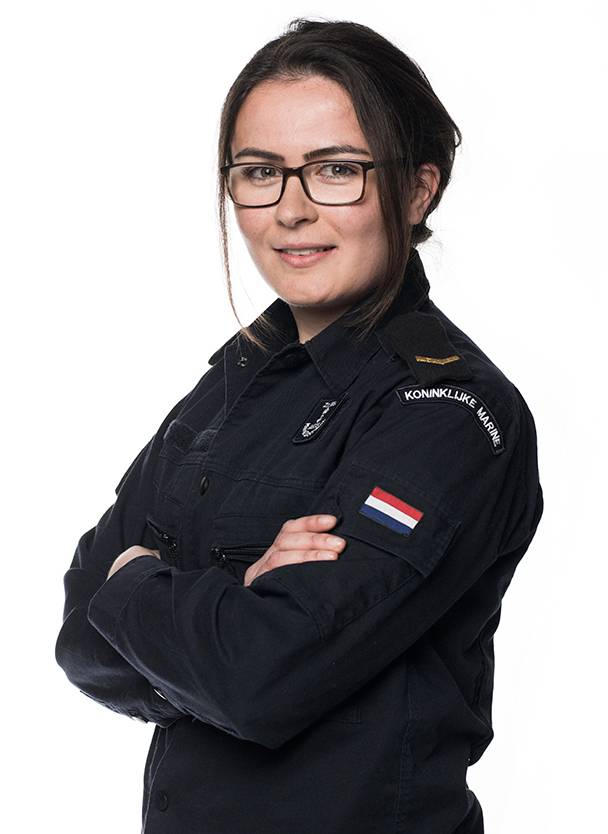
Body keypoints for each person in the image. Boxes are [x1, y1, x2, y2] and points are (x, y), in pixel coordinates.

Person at [54, 18, 544, 834]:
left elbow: (259, 677)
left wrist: (140, 582)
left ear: (418, 189)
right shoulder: (225, 390)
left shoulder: (450, 412)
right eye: (259, 172)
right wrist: (231, 601)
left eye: (336, 170)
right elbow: (78, 636)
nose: (291, 210)